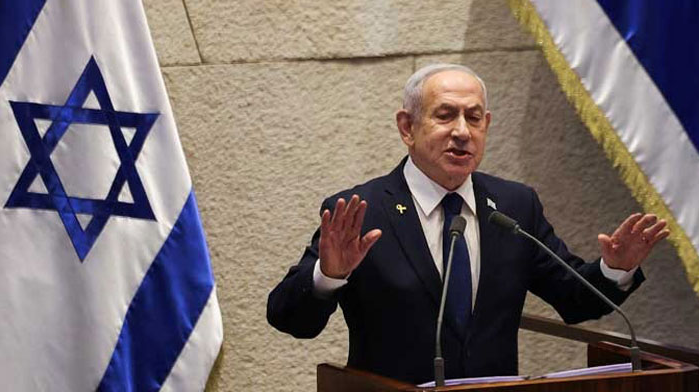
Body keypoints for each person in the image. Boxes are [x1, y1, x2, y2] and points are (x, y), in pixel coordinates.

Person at [267, 64, 668, 384]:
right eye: (445, 116)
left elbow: (575, 300)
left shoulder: (514, 205)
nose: (462, 131)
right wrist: (328, 276)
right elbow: (289, 319)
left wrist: (615, 268)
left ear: (486, 126)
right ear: (407, 127)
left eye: (473, 118)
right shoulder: (361, 211)